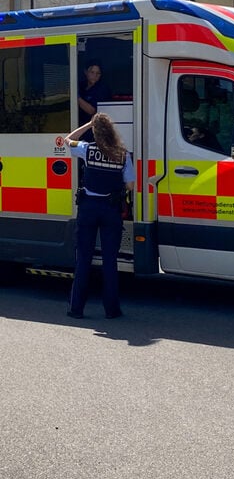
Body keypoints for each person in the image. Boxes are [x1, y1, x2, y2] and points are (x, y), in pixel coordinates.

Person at [64, 113, 134, 319]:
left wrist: (87, 124)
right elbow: (130, 184)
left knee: (84, 259)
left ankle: (76, 309)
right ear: (112, 131)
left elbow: (68, 140)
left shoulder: (87, 149)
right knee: (110, 261)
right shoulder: (122, 154)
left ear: (95, 131)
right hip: (111, 210)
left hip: (88, 209)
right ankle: (112, 310)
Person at [77, 60, 111, 139]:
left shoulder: (102, 89)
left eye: (98, 73)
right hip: (78, 127)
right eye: (92, 72)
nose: (95, 75)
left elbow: (91, 110)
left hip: (94, 130)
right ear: (86, 72)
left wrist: (76, 97)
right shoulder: (81, 86)